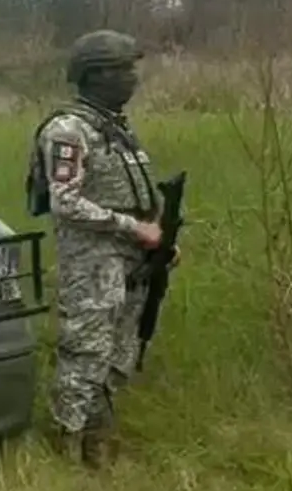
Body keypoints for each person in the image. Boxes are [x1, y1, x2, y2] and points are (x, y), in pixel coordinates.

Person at [24, 29, 179, 468]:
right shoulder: (68, 130)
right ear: (95, 75)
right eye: (122, 70)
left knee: (117, 356)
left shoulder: (115, 127)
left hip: (132, 260)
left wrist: (160, 243)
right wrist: (135, 229)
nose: (132, 78)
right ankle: (64, 453)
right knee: (85, 356)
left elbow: (133, 195)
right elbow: (66, 202)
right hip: (91, 262)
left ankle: (98, 451)